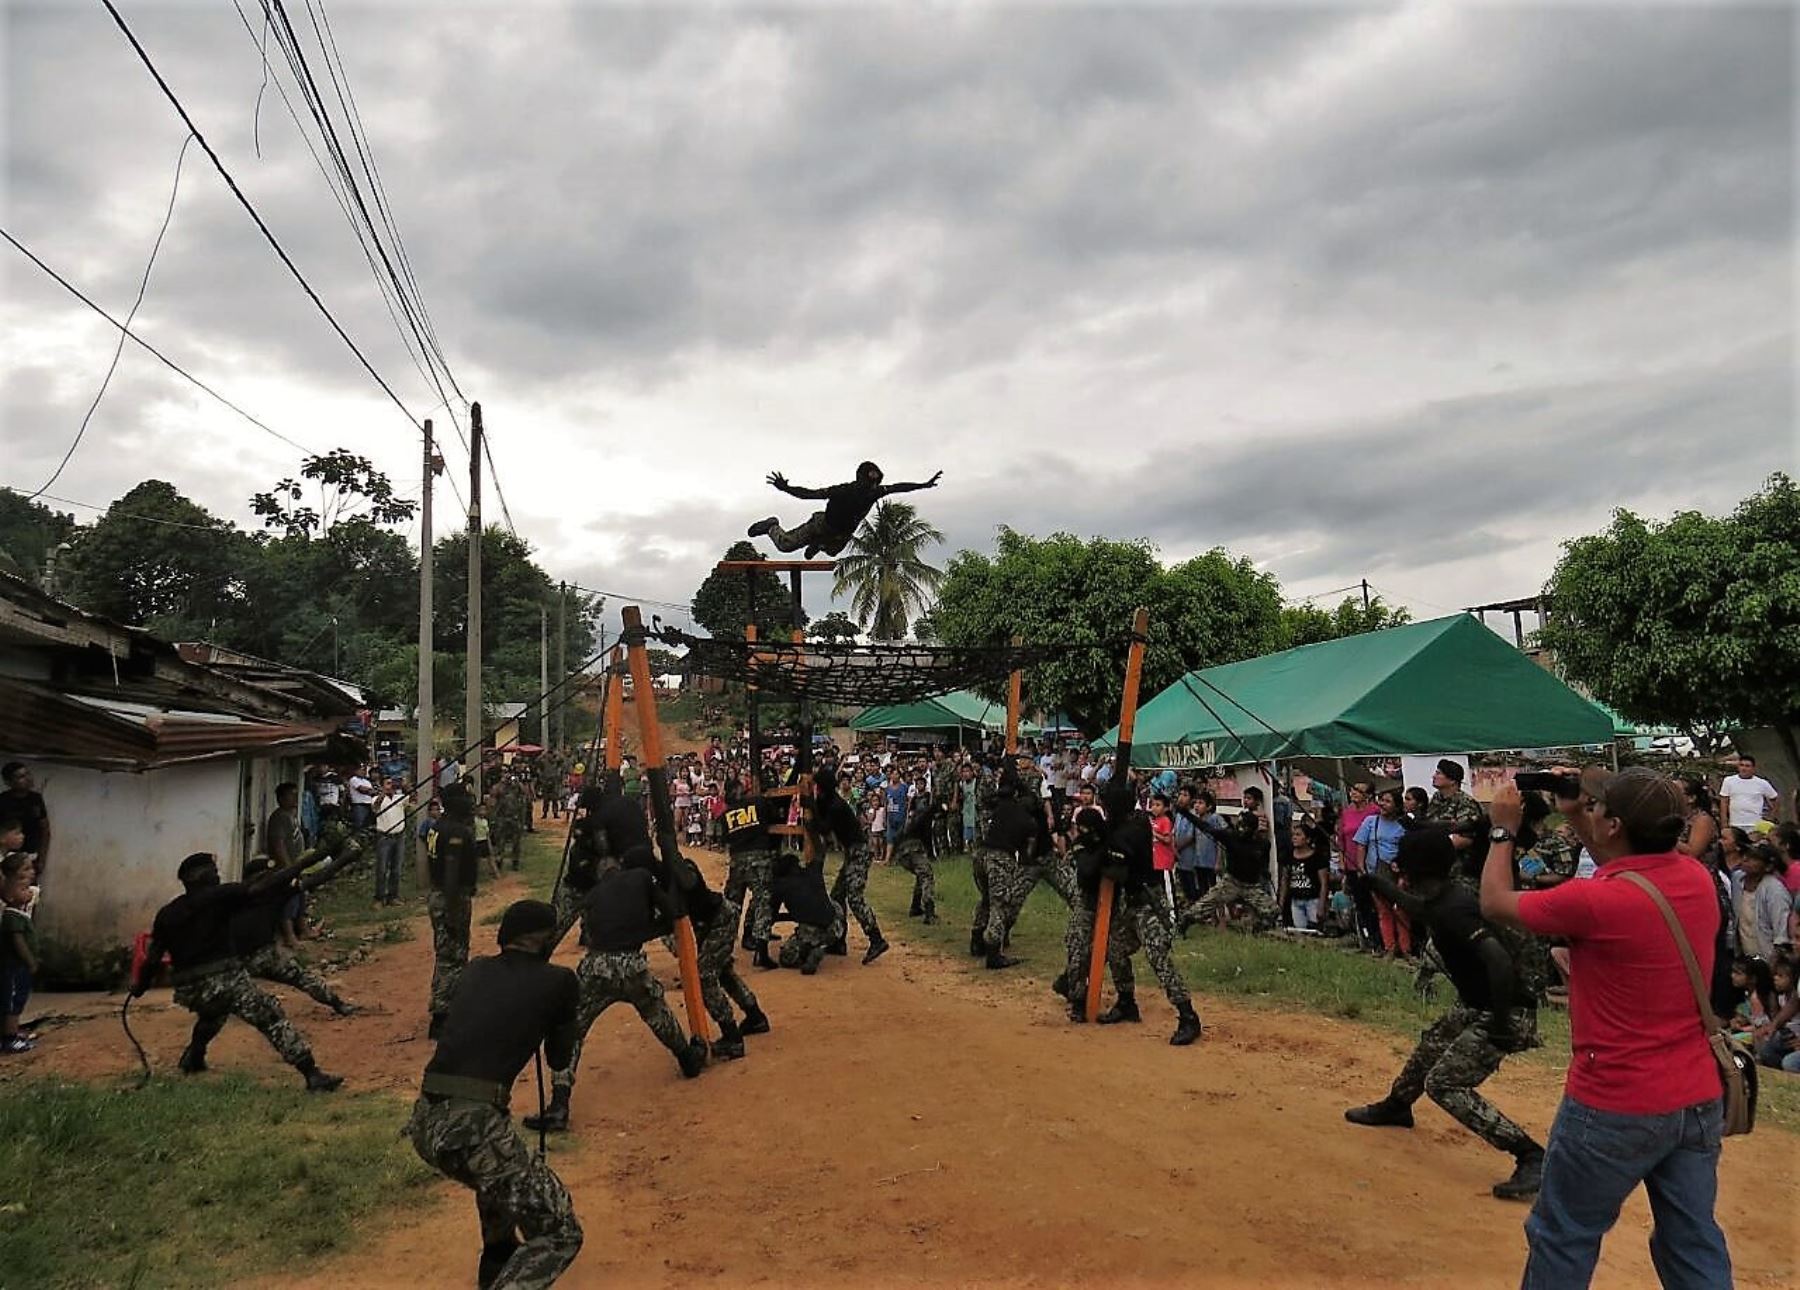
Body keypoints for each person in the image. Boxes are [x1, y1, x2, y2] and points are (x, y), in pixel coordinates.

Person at [1481, 768, 1732, 1290]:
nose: (1589, 810)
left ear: (1614, 824)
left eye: (1596, 807)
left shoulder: (1593, 901)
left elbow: (1495, 903)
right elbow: (1627, 865)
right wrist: (1575, 811)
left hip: (1614, 1102)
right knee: (1692, 1242)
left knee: (1563, 1235)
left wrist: (1503, 829)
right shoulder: (1695, 878)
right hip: (1695, 1098)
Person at [1345, 829, 1546, 1199]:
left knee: (1444, 1084)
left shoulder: (1455, 908)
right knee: (1431, 1045)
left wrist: (1501, 1025)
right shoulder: (1445, 896)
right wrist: (1380, 886)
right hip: (1479, 1004)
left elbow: (1499, 962)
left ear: (1404, 866)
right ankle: (1397, 1106)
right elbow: (1423, 910)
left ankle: (1530, 1154)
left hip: (1504, 1010)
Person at [407, 900, 583, 1289]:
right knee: (561, 1232)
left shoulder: (475, 970)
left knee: (496, 1177)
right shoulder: (561, 981)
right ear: (547, 939)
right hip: (474, 1128)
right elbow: (558, 1058)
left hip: (425, 1122)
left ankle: (497, 1259)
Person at [133, 850, 347, 1090]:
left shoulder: (167, 913)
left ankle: (194, 1057)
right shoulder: (220, 897)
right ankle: (312, 1074)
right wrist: (306, 862)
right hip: (224, 978)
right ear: (198, 877)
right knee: (270, 1015)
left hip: (189, 989)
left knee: (212, 1014)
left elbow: (153, 958)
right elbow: (261, 888)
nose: (218, 875)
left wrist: (140, 986)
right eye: (213, 871)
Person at [530, 848, 706, 1133]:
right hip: (632, 966)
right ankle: (688, 1059)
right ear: (619, 866)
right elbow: (672, 912)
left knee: (572, 1032)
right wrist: (649, 928)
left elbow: (585, 933)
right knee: (658, 1014)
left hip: (597, 967)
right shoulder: (640, 877)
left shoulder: (593, 896)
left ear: (601, 874)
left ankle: (559, 1104)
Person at [231, 854, 356, 1016]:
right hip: (242, 960)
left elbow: (316, 879)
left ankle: (337, 1003)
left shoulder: (263, 894)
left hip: (261, 957)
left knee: (303, 979)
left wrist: (344, 859)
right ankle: (338, 1004)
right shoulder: (237, 897)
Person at [747, 460, 944, 558]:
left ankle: (818, 545)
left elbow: (899, 487)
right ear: (864, 478)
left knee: (833, 552)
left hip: (841, 534)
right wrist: (786, 488)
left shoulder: (875, 492)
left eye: (877, 482)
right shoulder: (843, 491)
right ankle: (772, 526)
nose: (875, 487)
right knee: (785, 546)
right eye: (872, 481)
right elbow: (810, 494)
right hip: (821, 525)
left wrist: (924, 485)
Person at [812, 770, 888, 965]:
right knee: (837, 895)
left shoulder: (836, 805)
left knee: (854, 898)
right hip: (852, 852)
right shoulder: (830, 801)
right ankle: (838, 941)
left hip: (859, 852)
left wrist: (809, 809)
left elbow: (823, 828)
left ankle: (876, 939)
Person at [427, 787, 483, 1039]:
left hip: (440, 895)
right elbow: (451, 869)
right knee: (452, 956)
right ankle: (442, 1015)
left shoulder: (438, 826)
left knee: (446, 953)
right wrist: (452, 909)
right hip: (452, 897)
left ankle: (448, 1007)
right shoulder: (455, 832)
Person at [1178, 803, 1279, 933]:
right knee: (1202, 907)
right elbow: (1205, 827)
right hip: (1231, 882)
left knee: (1273, 911)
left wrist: (1264, 872)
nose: (1241, 830)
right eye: (1240, 826)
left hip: (1251, 886)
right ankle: (1185, 922)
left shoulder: (1263, 844)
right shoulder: (1231, 837)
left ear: (1253, 829)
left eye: (1245, 827)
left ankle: (1256, 929)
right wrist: (1186, 814)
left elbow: (1264, 862)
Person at [1353, 790, 1412, 956]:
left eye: (1387, 801)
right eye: (1381, 800)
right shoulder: (1371, 822)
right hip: (1376, 872)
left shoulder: (1403, 825)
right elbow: (1361, 845)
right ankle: (1389, 947)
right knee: (1383, 911)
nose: (1383, 804)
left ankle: (1406, 948)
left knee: (1401, 911)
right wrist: (1361, 868)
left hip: (1398, 872)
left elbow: (1408, 849)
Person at [1, 855, 38, 1054]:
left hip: (19, 966)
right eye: (24, 891)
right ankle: (9, 1039)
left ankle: (12, 1033)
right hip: (15, 966)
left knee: (17, 1000)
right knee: (12, 1003)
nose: (30, 894)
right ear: (12, 895)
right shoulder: (11, 916)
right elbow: (19, 943)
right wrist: (30, 961)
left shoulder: (19, 914)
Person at [893, 789, 944, 925]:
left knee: (921, 876)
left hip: (901, 852)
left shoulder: (914, 816)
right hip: (913, 848)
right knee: (927, 876)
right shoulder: (926, 814)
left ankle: (915, 907)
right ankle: (929, 912)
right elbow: (927, 837)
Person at [1733, 844, 1791, 962]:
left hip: (1766, 957)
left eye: (1754, 858)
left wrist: (1775, 961)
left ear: (1768, 866)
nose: (1746, 859)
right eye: (1746, 856)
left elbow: (1781, 931)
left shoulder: (1775, 891)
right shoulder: (1737, 879)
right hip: (1744, 956)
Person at [1, 763, 51, 883]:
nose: (28, 778)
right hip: (7, 857)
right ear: (9, 782)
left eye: (27, 774)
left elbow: (45, 830)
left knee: (27, 890)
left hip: (30, 855)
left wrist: (42, 859)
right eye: (21, 776)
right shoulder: (3, 801)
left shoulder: (36, 799)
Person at [1282, 820, 1332, 932]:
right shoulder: (1288, 856)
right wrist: (1281, 901)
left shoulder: (1317, 857)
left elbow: (1324, 883)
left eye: (1298, 835)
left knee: (1315, 931)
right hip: (1295, 900)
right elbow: (1285, 880)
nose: (1294, 838)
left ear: (1308, 839)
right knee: (1300, 931)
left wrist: (1321, 904)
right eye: (1293, 835)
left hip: (1313, 900)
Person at [372, 778, 410, 906]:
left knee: (396, 869)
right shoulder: (377, 798)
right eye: (387, 783)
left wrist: (405, 786)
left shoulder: (400, 797)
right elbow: (375, 807)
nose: (391, 785)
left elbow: (413, 797)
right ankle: (379, 898)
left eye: (392, 783)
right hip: (384, 836)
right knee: (382, 869)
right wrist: (383, 792)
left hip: (399, 836)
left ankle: (393, 896)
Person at [1718, 754, 1780, 830]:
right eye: (1741, 765)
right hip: (1735, 824)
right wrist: (1724, 822)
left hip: (1756, 824)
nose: (1744, 768)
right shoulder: (1728, 781)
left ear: (1753, 768)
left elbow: (1775, 799)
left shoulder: (1762, 783)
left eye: (1747, 766)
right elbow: (1724, 802)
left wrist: (1771, 818)